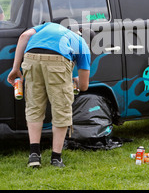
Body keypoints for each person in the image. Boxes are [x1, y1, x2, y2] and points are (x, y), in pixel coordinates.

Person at [7, 20, 91, 168]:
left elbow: (24, 36)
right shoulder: (81, 43)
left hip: (30, 57)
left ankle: (34, 155)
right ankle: (56, 158)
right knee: (61, 109)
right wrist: (74, 80)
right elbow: (84, 86)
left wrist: (15, 68)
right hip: (58, 61)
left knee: (34, 106)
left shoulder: (48, 26)